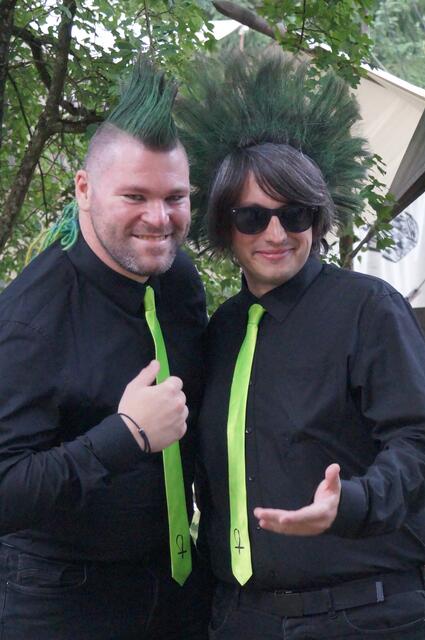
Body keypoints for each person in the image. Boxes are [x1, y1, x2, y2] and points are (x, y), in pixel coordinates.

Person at [176, 52, 425, 639]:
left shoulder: (368, 308)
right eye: (252, 216)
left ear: (317, 218)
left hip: (364, 615)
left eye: (295, 214)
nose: (275, 233)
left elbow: (418, 439)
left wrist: (353, 502)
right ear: (224, 225)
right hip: (241, 618)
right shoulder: (222, 331)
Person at [0, 59, 211, 639]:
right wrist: (126, 435)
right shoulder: (30, 319)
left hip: (177, 586)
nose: (159, 219)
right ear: (84, 189)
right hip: (60, 601)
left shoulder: (177, 280)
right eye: (135, 196)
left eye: (175, 197)